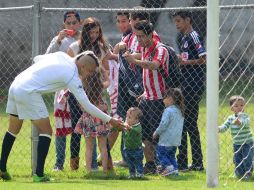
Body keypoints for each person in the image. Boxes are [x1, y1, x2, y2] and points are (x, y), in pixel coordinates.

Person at [0, 51, 126, 182]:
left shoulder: (62, 56)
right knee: (46, 131)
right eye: (90, 71)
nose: (89, 75)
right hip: (29, 91)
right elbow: (87, 105)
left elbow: (38, 59)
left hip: (16, 85)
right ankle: (39, 175)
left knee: (13, 130)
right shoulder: (72, 75)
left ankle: (1, 168)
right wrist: (110, 119)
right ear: (83, 67)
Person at [67, 17, 113, 170]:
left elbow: (106, 71)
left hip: (96, 96)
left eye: (96, 32)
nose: (93, 35)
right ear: (84, 32)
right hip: (76, 94)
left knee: (101, 131)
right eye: (91, 32)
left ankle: (106, 167)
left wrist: (100, 85)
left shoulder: (100, 48)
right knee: (77, 129)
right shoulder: (74, 47)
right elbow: (68, 71)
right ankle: (74, 165)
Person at [123, 20, 169, 174]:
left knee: (158, 135)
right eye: (137, 36)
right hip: (146, 98)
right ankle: (150, 165)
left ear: (150, 34)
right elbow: (148, 74)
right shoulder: (145, 49)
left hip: (158, 100)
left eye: (142, 36)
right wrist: (144, 93)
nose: (139, 40)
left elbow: (155, 65)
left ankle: (164, 164)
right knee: (145, 135)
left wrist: (134, 61)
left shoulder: (160, 49)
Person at [45, 10, 81, 172]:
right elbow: (47, 57)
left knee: (79, 124)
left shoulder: (83, 38)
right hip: (61, 87)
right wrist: (58, 41)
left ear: (79, 23)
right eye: (68, 23)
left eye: (74, 23)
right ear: (64, 25)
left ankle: (79, 162)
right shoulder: (59, 39)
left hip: (80, 86)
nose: (72, 26)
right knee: (60, 126)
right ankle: (59, 164)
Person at [173, 11, 206, 171]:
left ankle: (193, 162)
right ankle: (189, 162)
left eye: (179, 21)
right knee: (187, 123)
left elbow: (203, 58)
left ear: (188, 20)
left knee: (188, 123)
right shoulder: (184, 38)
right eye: (175, 22)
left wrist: (184, 62)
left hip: (193, 85)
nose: (177, 24)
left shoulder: (193, 36)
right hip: (186, 85)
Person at [75, 70, 110, 174]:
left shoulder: (83, 89)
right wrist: (104, 73)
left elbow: (82, 106)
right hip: (100, 117)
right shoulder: (101, 86)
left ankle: (88, 171)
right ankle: (105, 171)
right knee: (103, 146)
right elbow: (108, 81)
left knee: (89, 147)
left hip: (88, 118)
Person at [218, 95, 253, 179]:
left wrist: (239, 122)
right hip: (236, 144)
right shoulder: (230, 118)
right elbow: (224, 127)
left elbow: (246, 123)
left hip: (247, 143)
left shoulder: (245, 116)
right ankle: (239, 173)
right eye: (236, 106)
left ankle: (248, 173)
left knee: (248, 159)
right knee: (237, 159)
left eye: (241, 105)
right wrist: (218, 128)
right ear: (231, 108)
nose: (239, 107)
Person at [153, 88, 184, 176]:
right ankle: (175, 170)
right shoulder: (179, 110)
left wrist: (156, 132)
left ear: (170, 99)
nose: (163, 101)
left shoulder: (168, 111)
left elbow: (163, 124)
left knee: (161, 153)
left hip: (166, 140)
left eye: (164, 98)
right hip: (175, 140)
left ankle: (168, 167)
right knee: (171, 156)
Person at [123, 107, 144, 178]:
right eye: (127, 117)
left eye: (129, 117)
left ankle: (140, 173)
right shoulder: (127, 126)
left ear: (137, 119)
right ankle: (132, 173)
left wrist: (129, 128)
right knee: (130, 163)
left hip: (136, 149)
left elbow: (135, 131)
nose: (127, 119)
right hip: (128, 148)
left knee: (138, 162)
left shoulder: (138, 126)